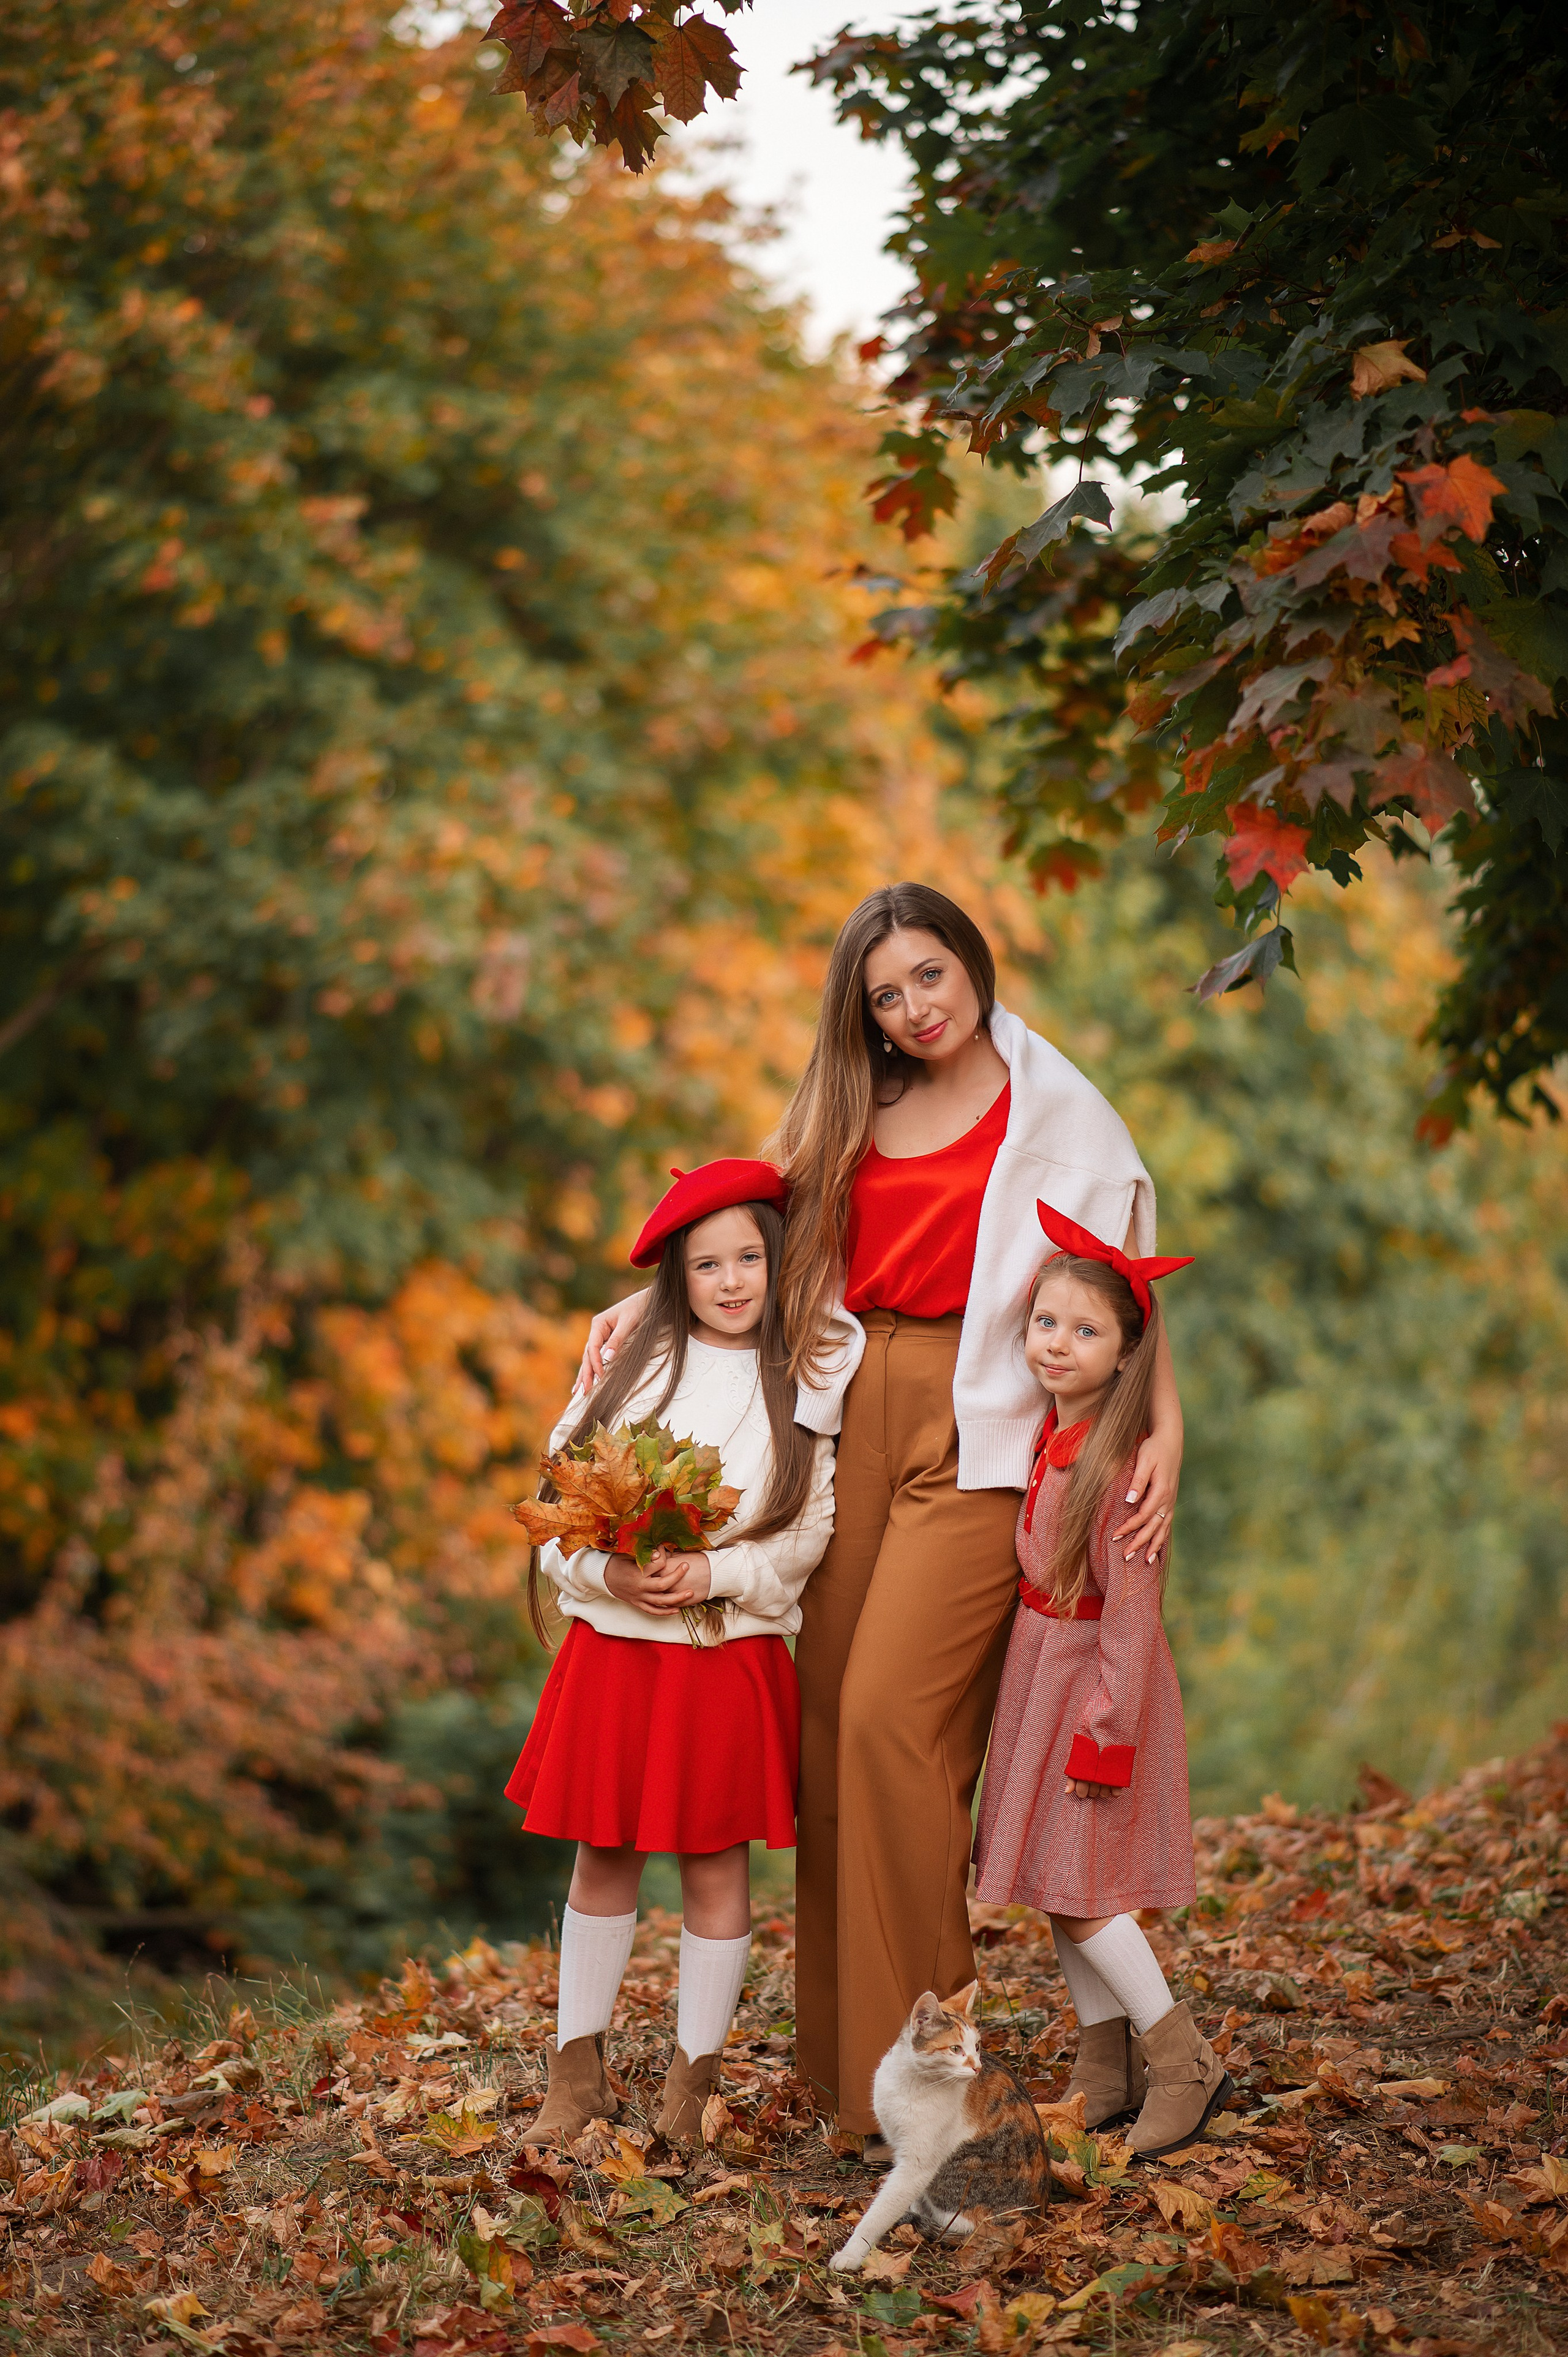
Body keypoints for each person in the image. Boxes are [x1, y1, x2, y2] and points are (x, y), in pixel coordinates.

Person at [580, 884, 1183, 2139]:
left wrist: (1163, 1421)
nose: (912, 1009)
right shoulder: (856, 1102)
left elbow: (1119, 1284)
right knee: (825, 1745)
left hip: (984, 1433)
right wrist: (647, 1310)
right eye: (884, 994)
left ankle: (947, 2086)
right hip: (849, 1412)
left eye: (927, 975)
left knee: (887, 1728)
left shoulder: (1059, 1107)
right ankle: (852, 2085)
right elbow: (744, 1233)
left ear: (972, 961)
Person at [507, 1159, 839, 2147]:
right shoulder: (630, 1368)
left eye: (750, 1258)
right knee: (602, 1854)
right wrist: (609, 1578)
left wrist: (717, 1576)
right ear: (675, 1278)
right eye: (708, 1264)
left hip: (726, 1657)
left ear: (780, 1266)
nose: (733, 1280)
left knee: (712, 1867)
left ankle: (693, 2086)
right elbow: (560, 1504)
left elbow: (810, 1528)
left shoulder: (807, 1378)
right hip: (617, 1652)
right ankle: (577, 2076)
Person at [973, 1204, 1231, 2158]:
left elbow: (1130, 1617)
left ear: (1128, 1354)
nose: (1059, 1344)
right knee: (1055, 1880)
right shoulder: (1051, 1437)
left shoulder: (1123, 1473)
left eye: (1087, 1331)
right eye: (1047, 1322)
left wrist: (1106, 1731)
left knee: (1084, 1891)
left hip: (1094, 1690)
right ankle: (1103, 2068)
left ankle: (1181, 2059)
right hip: (1043, 1677)